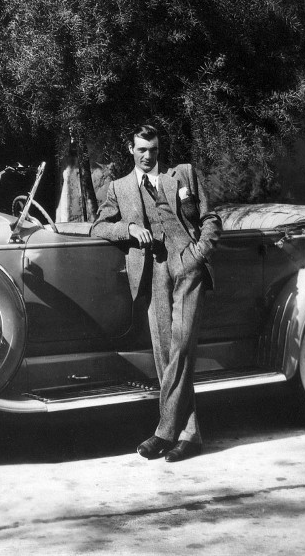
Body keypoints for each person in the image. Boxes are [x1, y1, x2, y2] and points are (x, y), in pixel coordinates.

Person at [91, 125, 221, 462]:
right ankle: (190, 436)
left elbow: (211, 218)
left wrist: (198, 252)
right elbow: (99, 226)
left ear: (159, 149)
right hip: (153, 273)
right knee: (165, 353)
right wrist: (130, 229)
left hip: (187, 265)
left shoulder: (184, 175)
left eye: (153, 149)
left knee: (180, 345)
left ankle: (163, 431)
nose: (147, 156)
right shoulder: (119, 188)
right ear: (131, 150)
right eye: (141, 150)